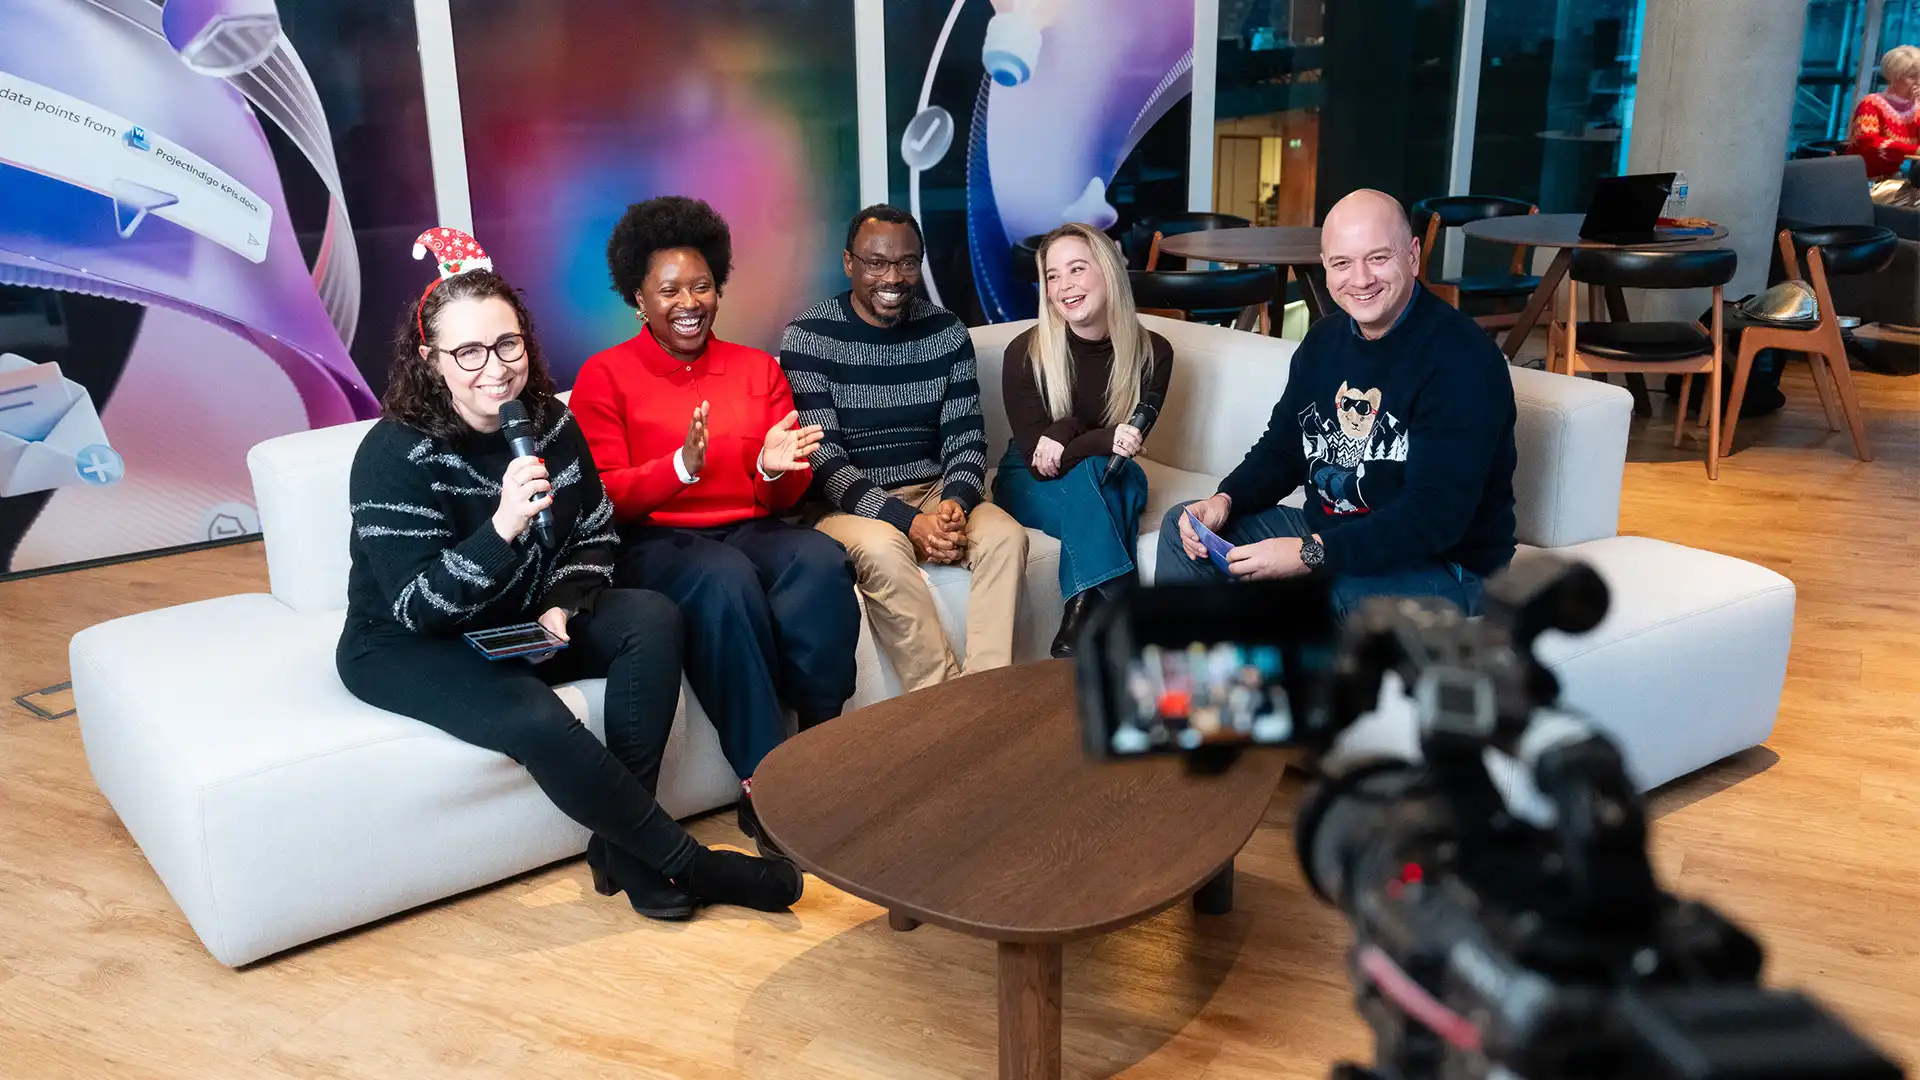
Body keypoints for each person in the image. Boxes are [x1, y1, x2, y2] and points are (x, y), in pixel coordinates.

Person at [337, 227, 802, 923]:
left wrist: (564, 602)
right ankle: (688, 865)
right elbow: (418, 605)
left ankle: (623, 853)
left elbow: (596, 529)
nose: (495, 368)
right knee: (533, 714)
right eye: (468, 352)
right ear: (430, 360)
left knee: (650, 617)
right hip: (406, 643)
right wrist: (501, 528)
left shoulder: (548, 421)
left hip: (517, 616)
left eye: (507, 344)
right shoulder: (392, 455)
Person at [571, 196, 861, 853]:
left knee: (820, 560)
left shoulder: (758, 369)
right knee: (723, 578)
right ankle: (763, 784)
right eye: (669, 289)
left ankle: (820, 747)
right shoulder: (604, 376)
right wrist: (680, 466)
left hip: (749, 528)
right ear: (638, 298)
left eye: (701, 286)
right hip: (652, 541)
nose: (689, 302)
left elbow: (784, 494)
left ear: (719, 288)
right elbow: (605, 498)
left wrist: (773, 468)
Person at [1155, 189, 1516, 618]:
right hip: (1332, 536)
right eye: (1342, 263)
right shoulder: (1323, 342)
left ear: (1413, 255)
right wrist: (1224, 500)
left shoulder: (1462, 358)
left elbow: (1435, 516)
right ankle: (1191, 661)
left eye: (1378, 258)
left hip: (1445, 565)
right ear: (1326, 266)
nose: (1360, 280)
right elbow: (1283, 450)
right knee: (1184, 528)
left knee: (1309, 599)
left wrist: (1308, 554)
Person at [781, 205, 1029, 691]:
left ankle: (987, 696)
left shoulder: (947, 332)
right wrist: (908, 521)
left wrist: (956, 503)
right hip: (847, 505)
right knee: (884, 548)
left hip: (934, 490)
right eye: (876, 263)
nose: (893, 278)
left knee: (1006, 537)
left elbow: (967, 438)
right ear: (849, 263)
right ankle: (940, 699)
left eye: (907, 263)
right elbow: (826, 464)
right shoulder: (809, 337)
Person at [993, 223, 1174, 657]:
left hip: (1107, 470)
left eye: (1076, 269)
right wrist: (1092, 434)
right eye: (1053, 276)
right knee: (1117, 488)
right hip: (1026, 478)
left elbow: (1123, 446)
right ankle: (1124, 615)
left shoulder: (1154, 353)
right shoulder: (1025, 353)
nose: (1064, 286)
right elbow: (1040, 465)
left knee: (1111, 477)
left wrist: (1067, 430)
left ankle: (1080, 614)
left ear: (1108, 271)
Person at [1848, 45, 1920, 180]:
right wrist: (1914, 150)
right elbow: (1869, 143)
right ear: (1893, 78)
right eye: (1912, 76)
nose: (1918, 82)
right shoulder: (1871, 103)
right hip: (1864, 180)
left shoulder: (1917, 108)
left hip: (1898, 180)